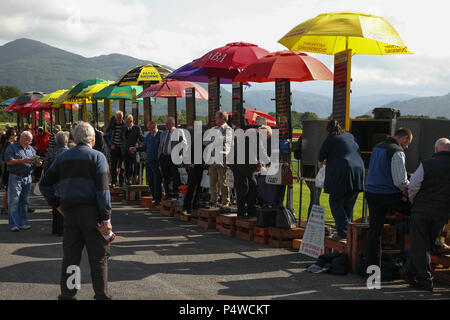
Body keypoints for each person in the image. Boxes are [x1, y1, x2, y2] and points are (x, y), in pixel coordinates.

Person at [39, 122, 112, 300]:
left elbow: (44, 183)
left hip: (70, 213)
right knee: (98, 259)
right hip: (93, 214)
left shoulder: (64, 157)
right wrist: (106, 218)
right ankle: (101, 295)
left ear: (74, 138)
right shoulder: (98, 157)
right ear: (92, 139)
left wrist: (57, 204)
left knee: (71, 258)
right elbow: (103, 191)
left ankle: (69, 294)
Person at [401, 138, 450, 291]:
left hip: (422, 210)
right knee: (426, 244)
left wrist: (414, 201)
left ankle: (425, 280)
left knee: (419, 245)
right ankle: (408, 272)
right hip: (442, 212)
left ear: (436, 149)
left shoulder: (427, 164)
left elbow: (413, 186)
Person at [364, 127, 413, 270]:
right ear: (403, 138)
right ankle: (418, 255)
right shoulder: (397, 152)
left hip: (371, 192)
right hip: (388, 194)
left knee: (374, 232)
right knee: (417, 212)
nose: (407, 146)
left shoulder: (378, 147)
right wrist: (412, 187)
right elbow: (400, 182)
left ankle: (372, 269)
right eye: (408, 143)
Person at [318, 120, 365, 240]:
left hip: (343, 173)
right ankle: (349, 232)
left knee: (335, 202)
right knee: (348, 204)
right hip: (359, 172)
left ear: (328, 130)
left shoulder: (330, 140)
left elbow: (320, 160)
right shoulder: (350, 136)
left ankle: (344, 231)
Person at [4, 131, 42, 232]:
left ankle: (23, 223)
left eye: (29, 141)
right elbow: (9, 161)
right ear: (21, 138)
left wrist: (37, 163)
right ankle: (14, 224)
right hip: (16, 177)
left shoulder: (31, 149)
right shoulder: (12, 148)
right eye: (26, 141)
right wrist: (23, 160)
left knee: (24, 201)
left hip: (27, 177)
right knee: (14, 201)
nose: (28, 143)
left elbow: (34, 162)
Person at [43, 131, 70, 236]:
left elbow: (45, 167)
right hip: (65, 181)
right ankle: (62, 229)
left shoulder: (50, 151)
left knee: (55, 205)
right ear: (66, 140)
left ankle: (55, 228)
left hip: (53, 181)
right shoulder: (69, 152)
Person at [130, 121, 162, 206]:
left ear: (154, 127)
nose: (149, 130)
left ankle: (158, 199)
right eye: (148, 128)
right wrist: (136, 149)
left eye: (150, 128)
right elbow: (144, 147)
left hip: (157, 162)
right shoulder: (148, 136)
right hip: (149, 161)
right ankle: (154, 198)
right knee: (150, 181)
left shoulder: (161, 135)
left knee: (157, 181)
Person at [205, 111, 232, 208]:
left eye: (217, 117)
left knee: (223, 181)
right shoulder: (213, 129)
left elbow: (225, 142)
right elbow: (206, 141)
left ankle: (225, 201)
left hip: (222, 159)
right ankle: (213, 200)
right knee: (212, 182)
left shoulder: (228, 129)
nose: (215, 119)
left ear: (223, 119)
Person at [158, 117, 182, 200]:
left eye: (167, 123)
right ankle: (168, 194)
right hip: (164, 157)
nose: (165, 125)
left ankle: (176, 193)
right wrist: (160, 156)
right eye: (165, 123)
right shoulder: (164, 133)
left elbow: (184, 145)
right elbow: (161, 145)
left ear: (172, 124)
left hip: (173, 157)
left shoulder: (178, 132)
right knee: (166, 177)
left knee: (175, 176)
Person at [121, 114, 143, 185]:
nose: (125, 123)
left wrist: (143, 143)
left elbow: (140, 137)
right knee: (126, 165)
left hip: (133, 149)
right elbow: (121, 137)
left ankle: (133, 178)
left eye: (127, 121)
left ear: (131, 121)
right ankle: (127, 179)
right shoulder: (123, 128)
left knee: (133, 165)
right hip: (125, 150)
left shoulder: (137, 128)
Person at [104, 111, 125, 187]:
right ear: (116, 118)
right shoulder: (112, 125)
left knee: (122, 165)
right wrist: (110, 145)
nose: (119, 119)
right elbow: (105, 135)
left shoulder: (124, 125)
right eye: (118, 117)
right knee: (113, 165)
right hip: (114, 147)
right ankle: (114, 181)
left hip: (122, 148)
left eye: (121, 117)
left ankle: (121, 181)